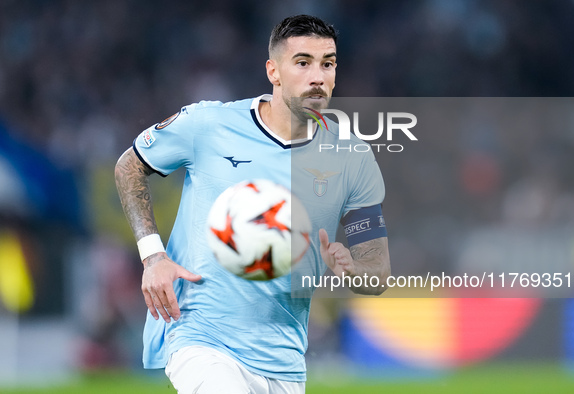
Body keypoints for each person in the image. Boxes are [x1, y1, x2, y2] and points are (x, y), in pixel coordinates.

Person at [114, 14, 390, 394]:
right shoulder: (209, 125)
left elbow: (377, 270)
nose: (318, 76)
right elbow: (129, 166)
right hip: (201, 338)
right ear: (273, 72)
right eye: (303, 62)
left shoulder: (352, 157)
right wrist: (153, 256)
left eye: (328, 63)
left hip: (284, 361)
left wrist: (352, 269)